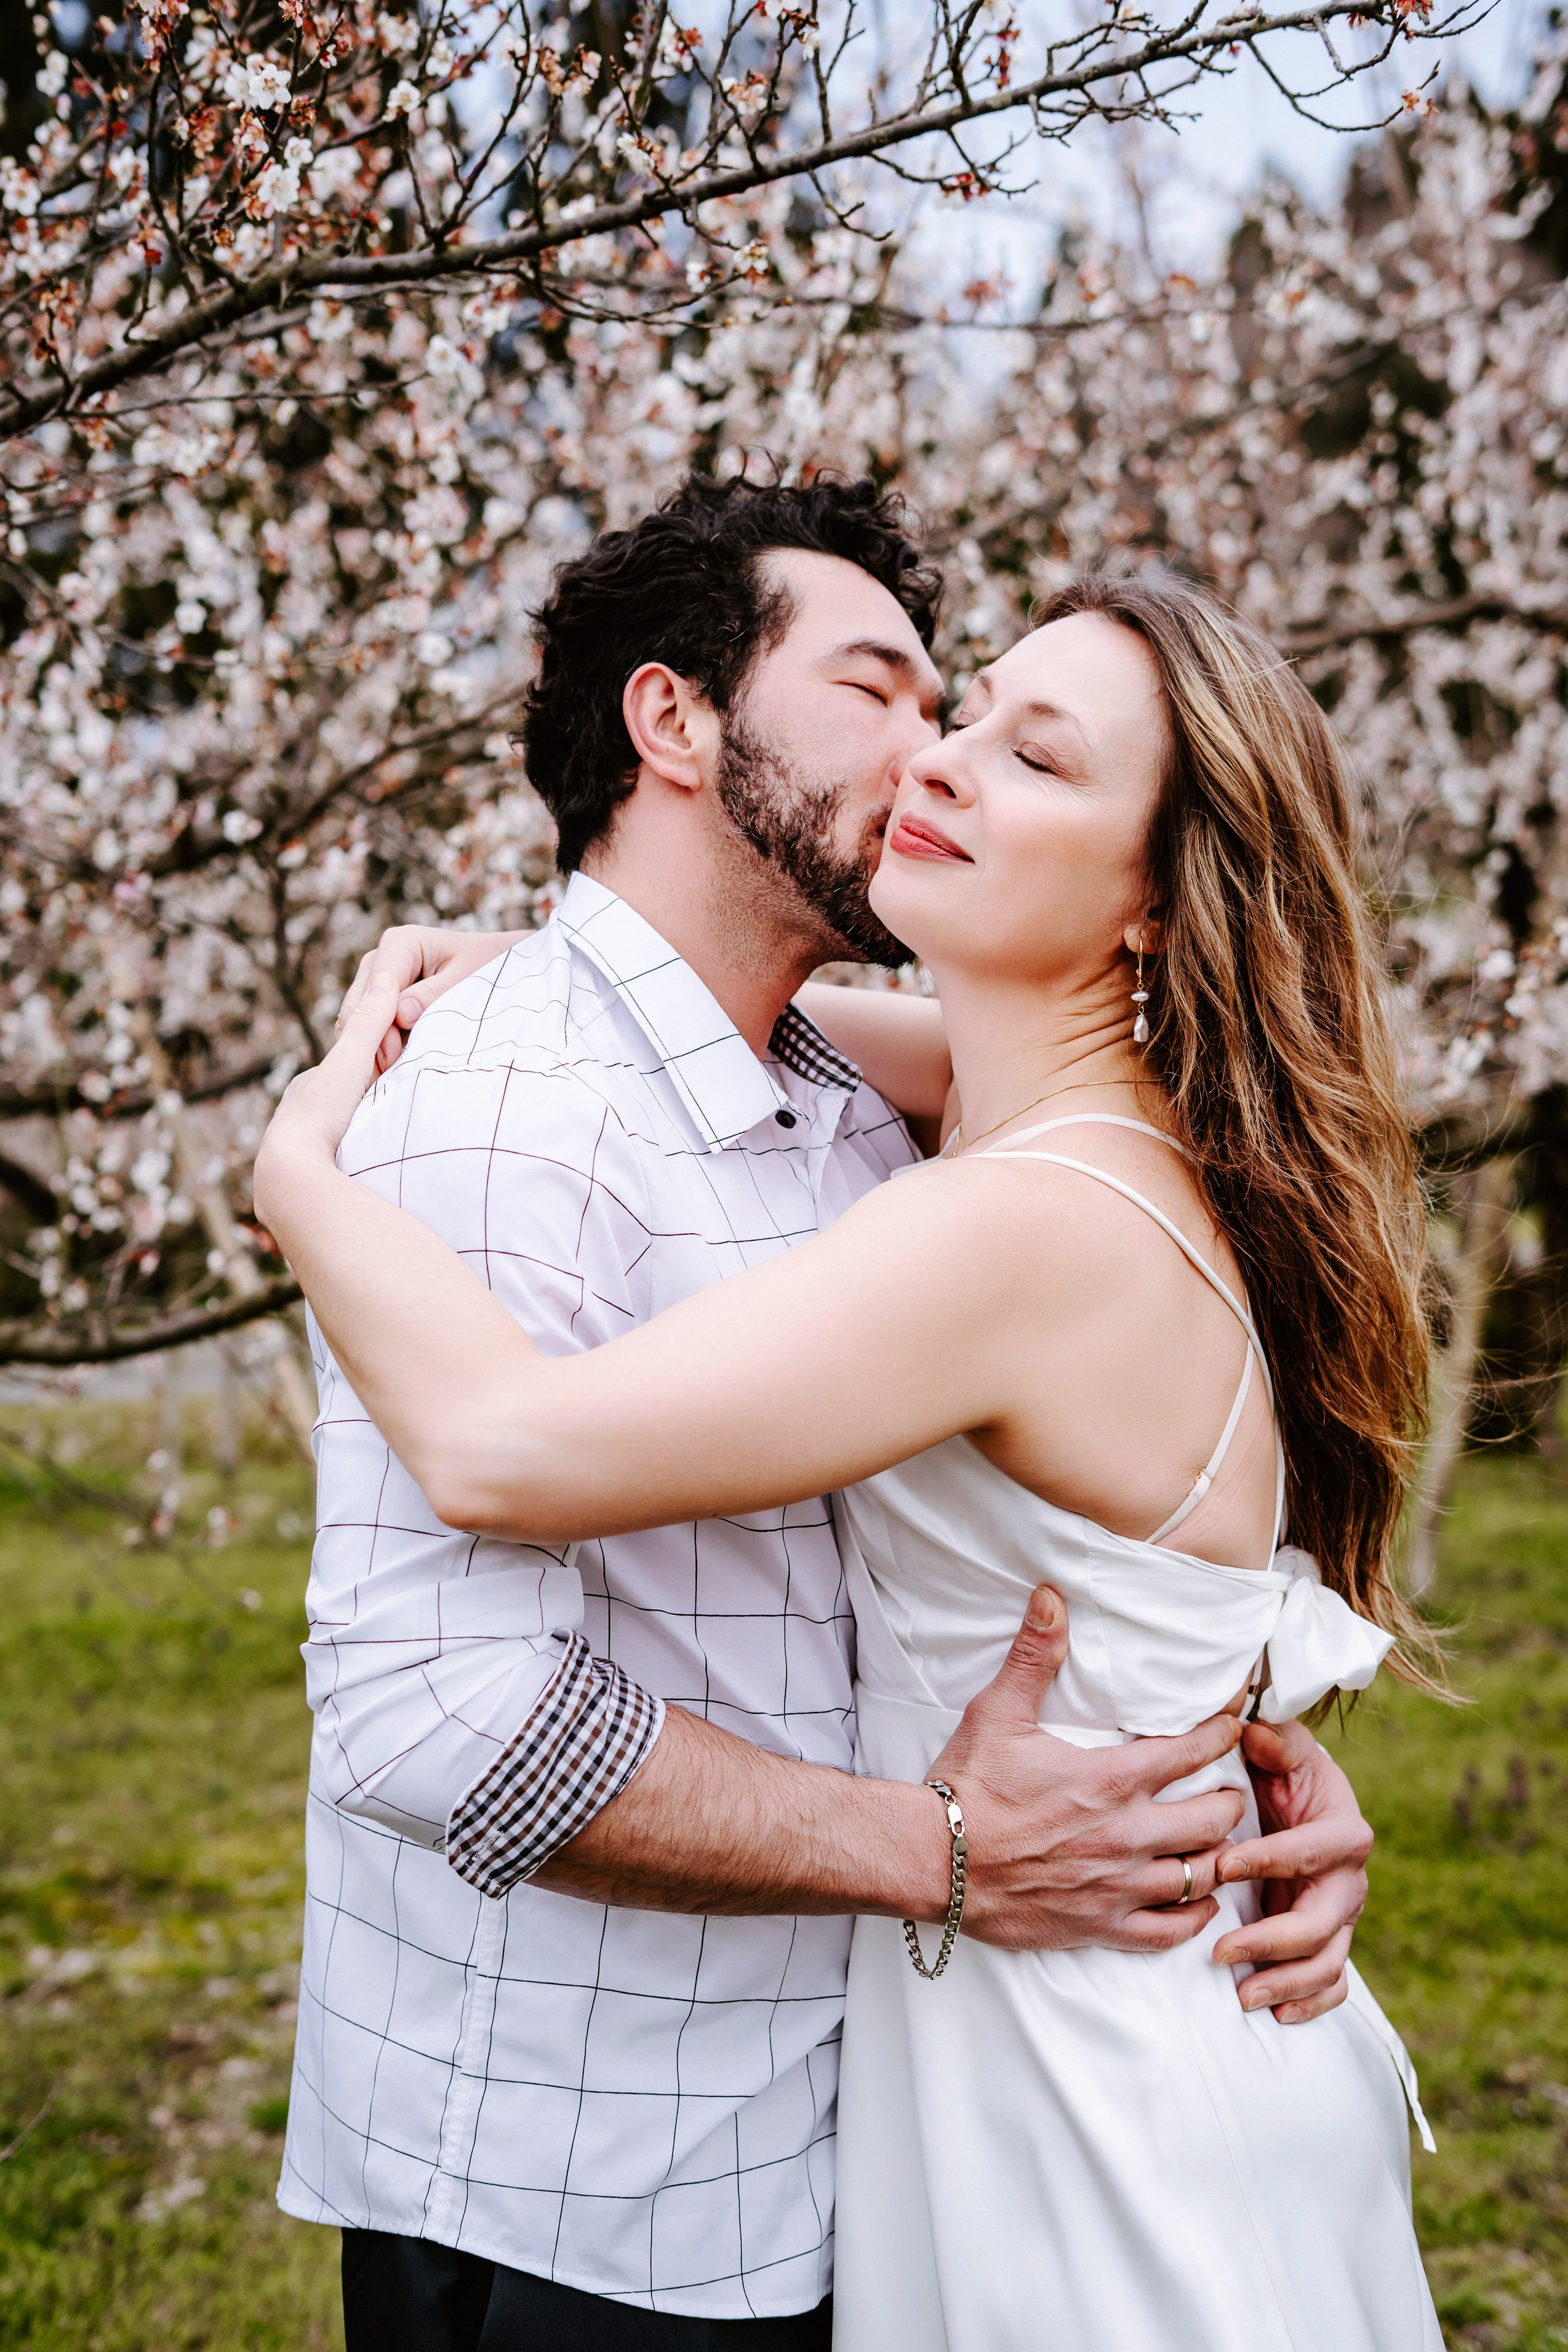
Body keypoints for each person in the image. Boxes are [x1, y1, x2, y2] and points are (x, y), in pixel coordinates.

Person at [259, 478, 1382, 2351]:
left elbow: (511, 1440)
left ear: (1152, 907)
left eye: (1008, 739)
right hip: (590, 2194)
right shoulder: (543, 1102)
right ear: (674, 721)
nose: (932, 754)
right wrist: (963, 1843)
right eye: (893, 694)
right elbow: (434, 1707)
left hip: (958, 2105)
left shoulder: (943, 1157)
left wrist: (292, 1174)